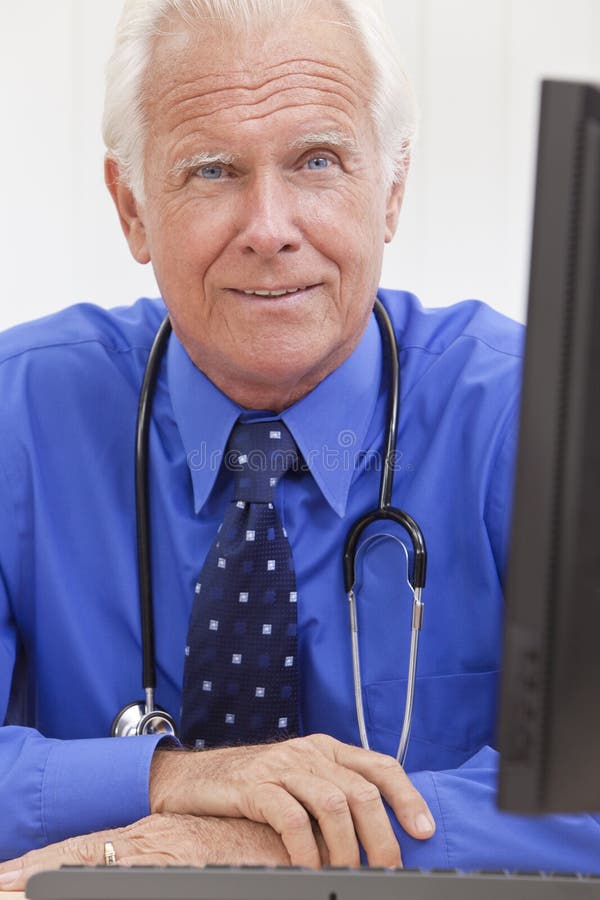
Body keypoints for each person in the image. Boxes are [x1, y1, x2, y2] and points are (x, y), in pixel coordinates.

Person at [0, 0, 599, 888]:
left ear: (390, 190)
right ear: (131, 208)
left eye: (317, 161)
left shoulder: (541, 416)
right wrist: (174, 782)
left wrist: (245, 845)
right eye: (211, 171)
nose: (269, 226)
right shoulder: (16, 412)